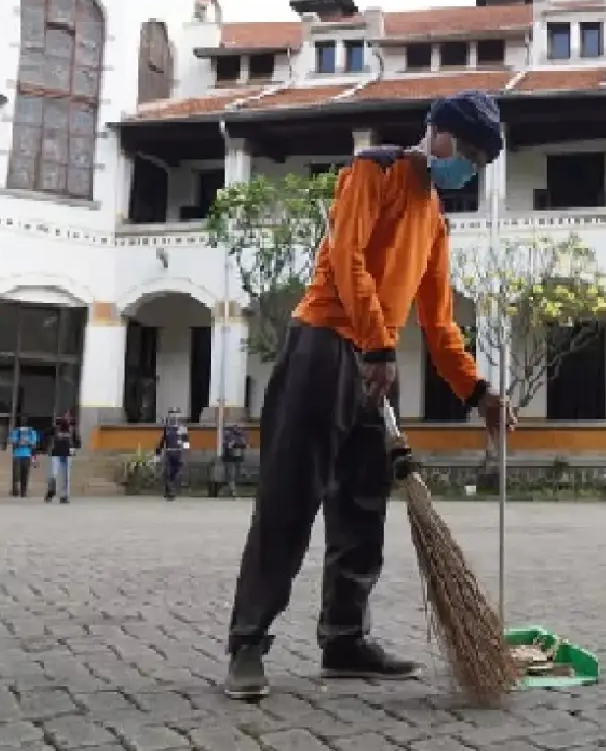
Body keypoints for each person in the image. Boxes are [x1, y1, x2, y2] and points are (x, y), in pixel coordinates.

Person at [224, 90, 515, 700]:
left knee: (362, 506)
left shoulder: (435, 219)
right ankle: (248, 643)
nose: (468, 165)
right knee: (289, 499)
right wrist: (378, 345)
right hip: (324, 346)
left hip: (378, 365)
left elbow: (439, 322)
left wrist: (477, 391)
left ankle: (344, 639)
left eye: (479, 161)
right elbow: (346, 257)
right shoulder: (373, 170)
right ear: (435, 131)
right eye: (465, 150)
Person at [45, 412, 80, 504]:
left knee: (66, 476)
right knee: (53, 474)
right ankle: (50, 491)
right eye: (65, 417)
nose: (66, 419)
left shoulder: (72, 430)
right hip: (55, 454)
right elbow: (46, 433)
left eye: (68, 418)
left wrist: (73, 449)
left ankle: (64, 496)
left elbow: (77, 443)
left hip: (66, 455)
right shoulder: (56, 428)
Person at [155, 407, 190, 501]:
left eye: (176, 413)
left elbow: (186, 441)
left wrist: (185, 454)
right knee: (168, 471)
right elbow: (161, 441)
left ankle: (170, 488)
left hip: (178, 452)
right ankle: (170, 491)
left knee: (176, 472)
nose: (174, 415)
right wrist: (158, 453)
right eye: (172, 413)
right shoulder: (167, 428)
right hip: (169, 452)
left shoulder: (183, 428)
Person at [9, 415, 39, 497]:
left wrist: (20, 442)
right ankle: (23, 492)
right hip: (27, 455)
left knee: (16, 474)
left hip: (17, 455)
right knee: (25, 474)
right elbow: (33, 445)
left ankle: (15, 491)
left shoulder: (16, 431)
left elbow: (14, 443)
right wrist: (34, 458)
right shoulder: (32, 431)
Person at [216, 423, 247, 498]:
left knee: (237, 474)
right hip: (229, 457)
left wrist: (238, 445)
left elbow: (244, 445)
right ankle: (232, 490)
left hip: (238, 457)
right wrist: (232, 444)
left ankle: (228, 487)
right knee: (231, 474)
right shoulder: (227, 434)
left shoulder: (241, 436)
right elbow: (226, 444)